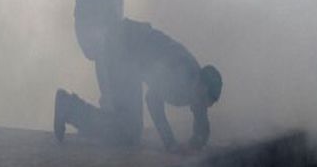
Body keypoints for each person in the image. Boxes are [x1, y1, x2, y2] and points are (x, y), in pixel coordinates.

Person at [54, 19, 223, 153]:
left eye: (206, 104)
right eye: (203, 99)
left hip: (128, 52)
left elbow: (201, 126)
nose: (201, 106)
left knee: (128, 128)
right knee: (128, 131)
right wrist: (170, 143)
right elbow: (152, 99)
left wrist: (195, 145)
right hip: (119, 48)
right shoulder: (180, 76)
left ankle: (90, 122)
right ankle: (69, 108)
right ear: (201, 86)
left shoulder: (197, 88)